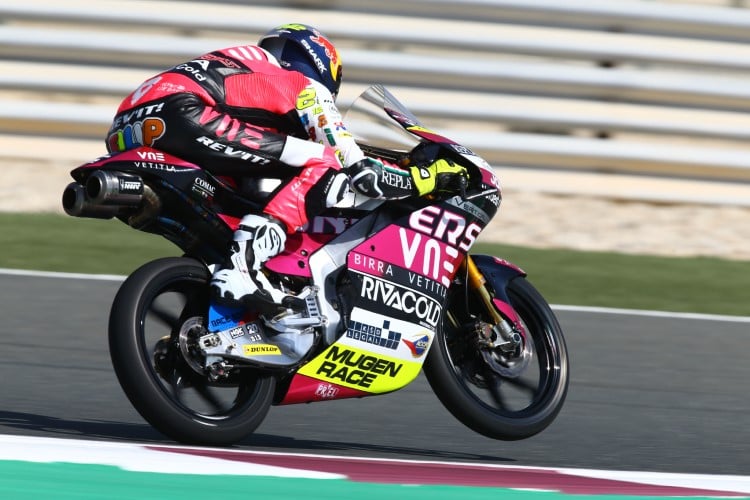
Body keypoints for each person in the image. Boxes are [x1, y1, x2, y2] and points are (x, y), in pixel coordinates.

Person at [106, 23, 468, 311]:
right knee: (324, 160)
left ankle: (224, 276)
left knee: (242, 190)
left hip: (125, 127)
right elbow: (354, 165)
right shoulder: (304, 85)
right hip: (185, 112)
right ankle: (243, 265)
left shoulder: (246, 69)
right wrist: (419, 177)